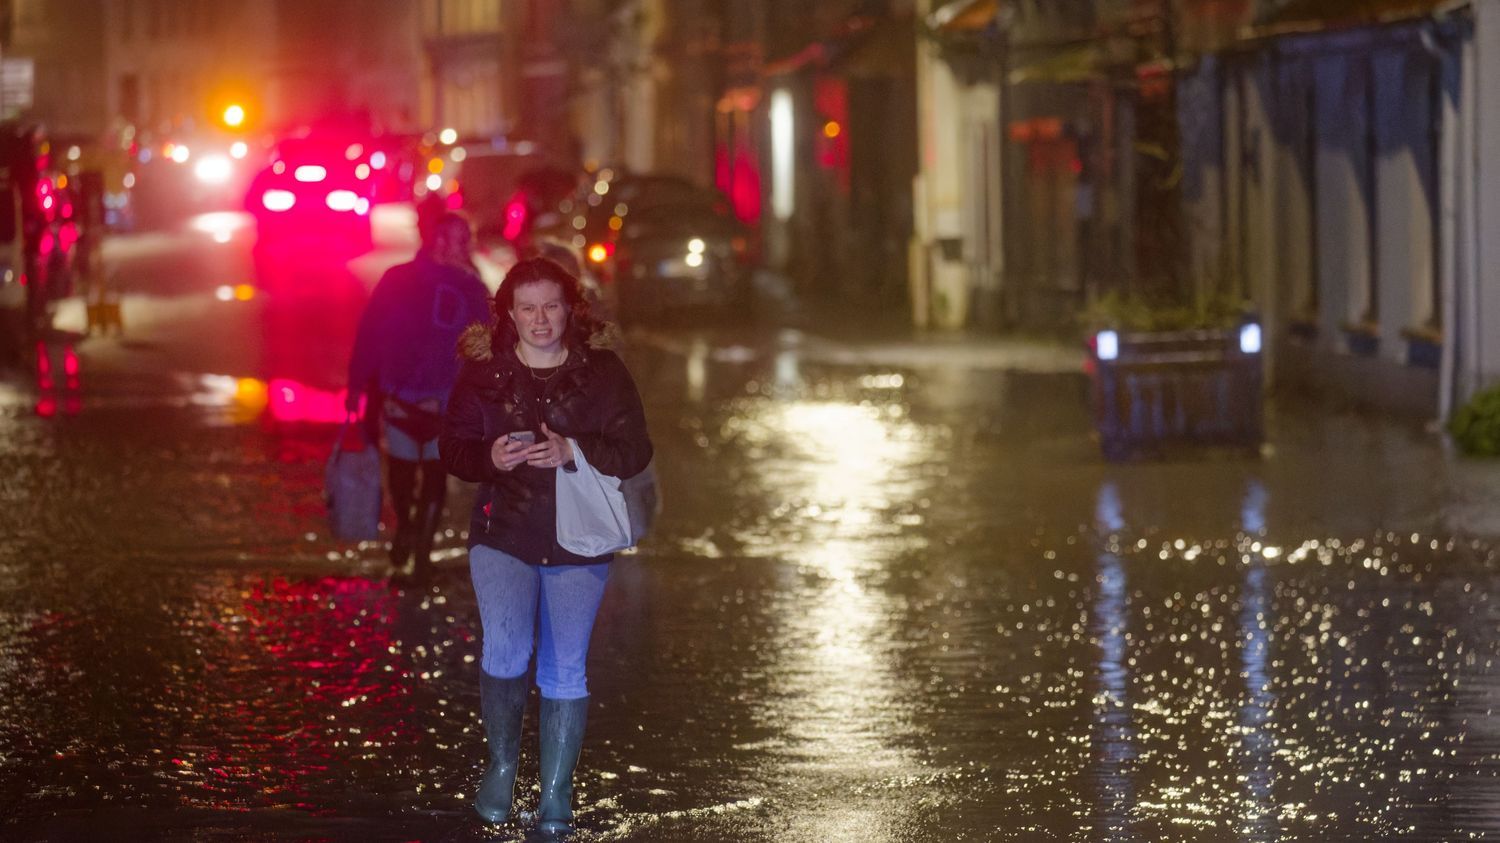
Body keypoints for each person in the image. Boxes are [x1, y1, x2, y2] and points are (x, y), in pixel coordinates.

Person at [440, 257, 652, 832]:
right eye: (528, 307)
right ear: (509, 313)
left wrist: (573, 452)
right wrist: (489, 457)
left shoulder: (604, 372)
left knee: (566, 669)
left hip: (579, 540)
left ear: (570, 309)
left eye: (551, 306)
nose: (540, 319)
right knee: (505, 652)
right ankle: (503, 766)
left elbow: (636, 452)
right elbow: (452, 448)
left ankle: (556, 793)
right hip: (501, 533)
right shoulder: (483, 374)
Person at [346, 211, 490, 582]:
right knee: (430, 476)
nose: (462, 248)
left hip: (406, 397)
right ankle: (420, 547)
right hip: (432, 399)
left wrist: (358, 386)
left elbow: (369, 334)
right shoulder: (469, 287)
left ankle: (411, 533)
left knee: (407, 472)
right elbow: (491, 342)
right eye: (458, 240)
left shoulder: (400, 279)